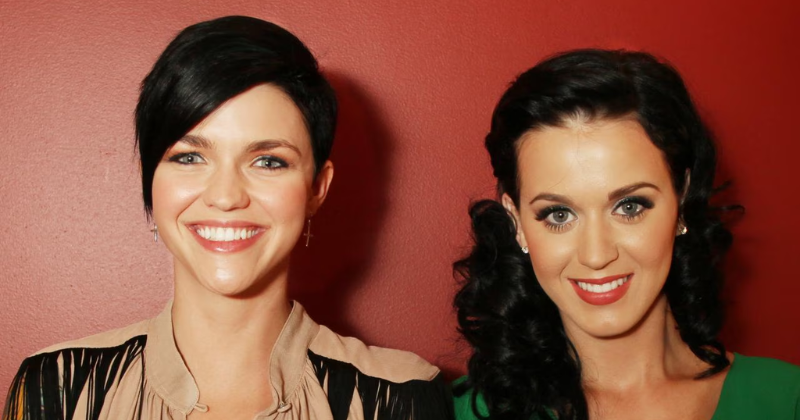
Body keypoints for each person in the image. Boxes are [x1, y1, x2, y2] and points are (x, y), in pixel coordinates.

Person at [3, 16, 452, 420]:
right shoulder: (58, 386)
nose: (225, 196)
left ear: (317, 188)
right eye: (189, 157)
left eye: (268, 161)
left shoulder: (401, 395)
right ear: (149, 180)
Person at [452, 49, 800, 420]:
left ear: (682, 200)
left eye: (629, 207)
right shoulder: (458, 411)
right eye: (559, 214)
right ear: (517, 222)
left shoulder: (785, 400)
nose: (596, 254)